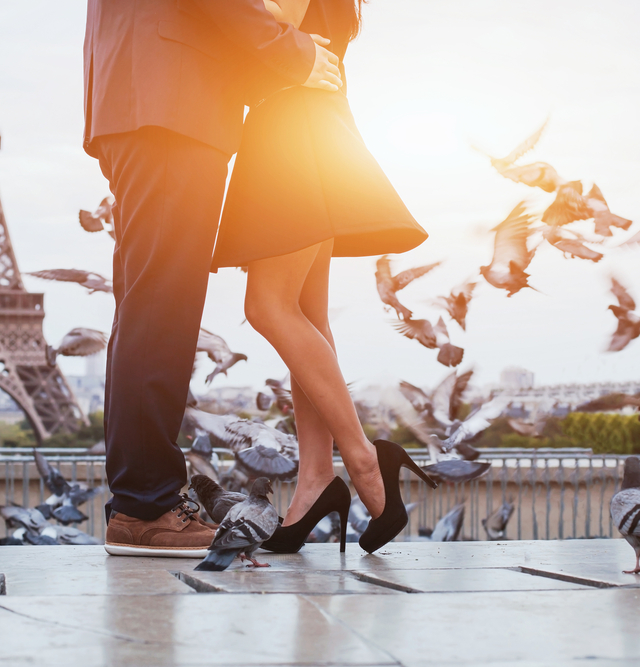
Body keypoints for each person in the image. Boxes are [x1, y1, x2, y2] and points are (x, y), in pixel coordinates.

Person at [83, 0, 344, 557]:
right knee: (161, 311)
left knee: (150, 307)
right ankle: (144, 508)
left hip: (151, 95)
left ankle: (141, 500)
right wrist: (290, 51)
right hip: (171, 104)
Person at [211, 0, 437, 554]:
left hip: (295, 127)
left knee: (268, 307)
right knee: (305, 316)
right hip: (308, 125)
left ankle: (362, 458)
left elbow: (263, 27)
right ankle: (315, 477)